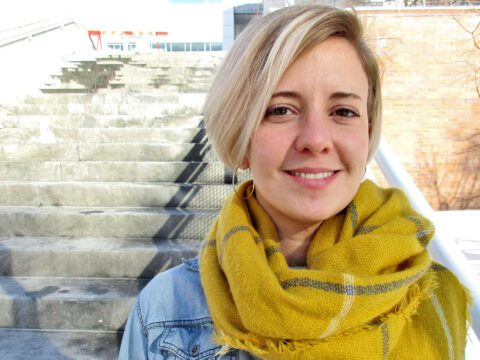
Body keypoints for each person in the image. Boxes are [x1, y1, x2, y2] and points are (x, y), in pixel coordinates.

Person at [119, 5, 469, 359]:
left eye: (343, 112)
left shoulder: (432, 293)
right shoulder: (167, 310)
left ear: (366, 133)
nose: (316, 139)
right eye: (281, 110)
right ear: (240, 137)